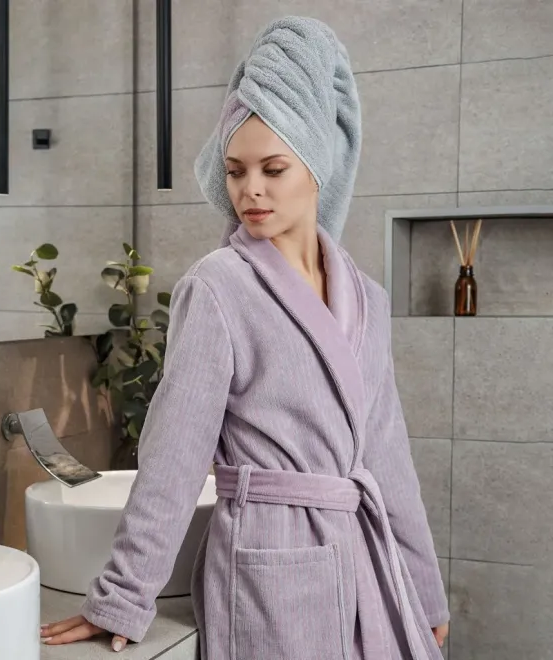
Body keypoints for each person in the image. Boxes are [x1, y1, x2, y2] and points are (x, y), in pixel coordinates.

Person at [41, 16, 450, 659]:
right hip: (266, 561)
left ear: (315, 165)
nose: (250, 190)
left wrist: (423, 589)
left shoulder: (367, 297)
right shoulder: (219, 286)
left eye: (273, 168)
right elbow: (174, 457)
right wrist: (122, 596)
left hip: (364, 560)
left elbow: (388, 454)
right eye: (235, 171)